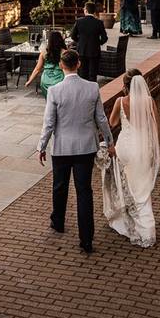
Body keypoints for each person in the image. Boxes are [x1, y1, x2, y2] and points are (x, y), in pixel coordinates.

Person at [37, 49, 114, 254]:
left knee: (59, 187)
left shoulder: (54, 91)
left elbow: (49, 123)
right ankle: (86, 238)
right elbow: (102, 119)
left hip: (62, 148)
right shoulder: (92, 88)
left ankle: (58, 222)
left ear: (62, 66)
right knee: (84, 191)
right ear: (78, 64)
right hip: (85, 148)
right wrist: (110, 141)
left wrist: (42, 146)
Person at [98, 69, 159, 248]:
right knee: (142, 189)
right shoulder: (149, 101)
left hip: (125, 148)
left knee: (127, 186)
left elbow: (113, 122)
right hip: (142, 148)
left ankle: (127, 221)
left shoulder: (121, 101)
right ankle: (147, 229)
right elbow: (155, 128)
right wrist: (154, 150)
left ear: (125, 86)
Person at [70, 2, 107, 83]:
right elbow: (104, 38)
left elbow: (72, 35)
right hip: (94, 51)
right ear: (94, 11)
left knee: (82, 73)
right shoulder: (99, 22)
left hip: (82, 50)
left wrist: (79, 42)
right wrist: (97, 43)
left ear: (86, 10)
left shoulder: (79, 21)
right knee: (93, 74)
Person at [26, 30, 66, 95]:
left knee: (49, 102)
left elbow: (37, 69)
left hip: (46, 81)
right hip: (60, 80)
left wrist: (30, 80)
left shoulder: (44, 52)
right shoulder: (65, 53)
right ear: (60, 40)